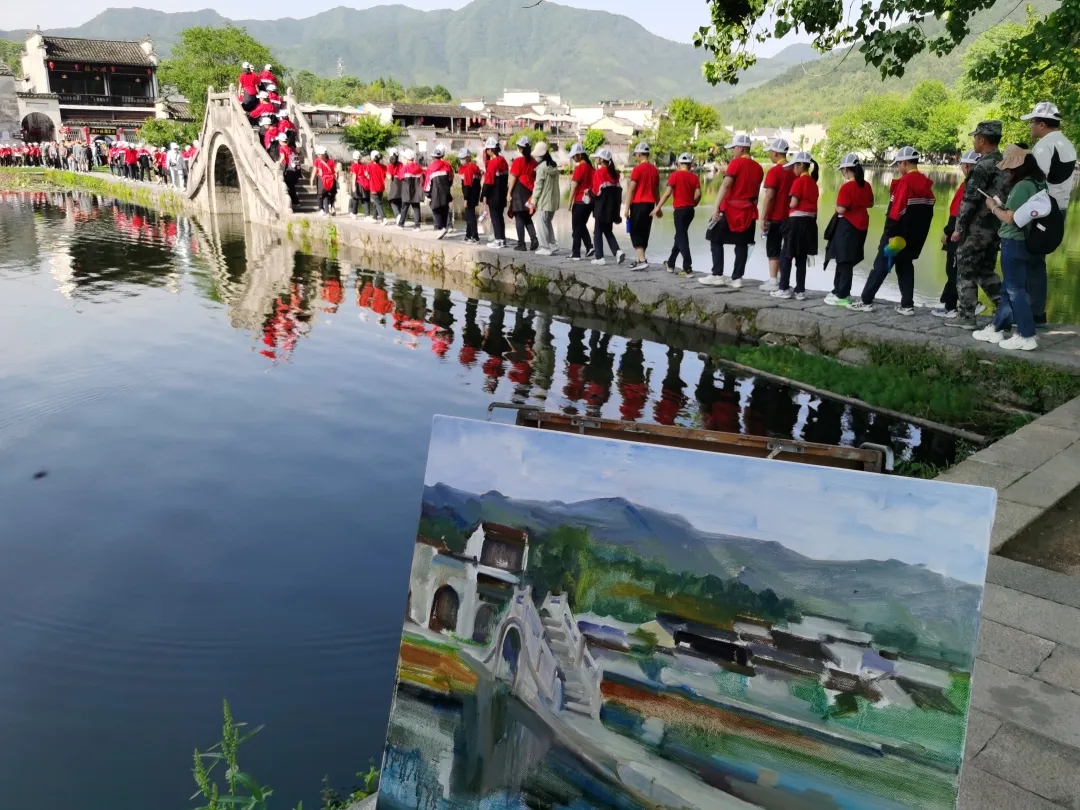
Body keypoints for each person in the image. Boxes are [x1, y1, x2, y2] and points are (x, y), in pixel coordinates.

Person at [974, 145, 1046, 351]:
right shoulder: (1039, 183)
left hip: (1014, 242)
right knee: (1008, 289)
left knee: (1016, 290)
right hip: (1028, 242)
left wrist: (993, 206)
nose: (1006, 171)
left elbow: (1012, 219)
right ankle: (997, 328)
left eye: (1009, 167)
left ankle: (1026, 334)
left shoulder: (1023, 186)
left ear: (1017, 166)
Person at [850, 146, 935, 314]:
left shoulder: (905, 183)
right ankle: (907, 305)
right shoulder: (926, 184)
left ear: (904, 163)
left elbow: (896, 211)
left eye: (898, 164)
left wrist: (890, 233)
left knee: (880, 265)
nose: (898, 167)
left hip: (897, 235)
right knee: (905, 266)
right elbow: (928, 212)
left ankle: (866, 300)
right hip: (915, 236)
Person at [946, 120, 1009, 329]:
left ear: (982, 140)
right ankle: (1007, 310)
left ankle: (966, 317)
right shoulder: (1004, 163)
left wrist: (958, 229)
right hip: (996, 226)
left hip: (976, 228)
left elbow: (970, 200)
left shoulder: (983, 166)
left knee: (965, 271)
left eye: (975, 137)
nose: (974, 141)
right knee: (985, 271)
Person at [1021, 101, 1076, 326]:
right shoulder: (1067, 143)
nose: (1030, 126)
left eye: (1032, 122)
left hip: (1042, 209)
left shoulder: (1044, 146)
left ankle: (1029, 314)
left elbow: (1036, 180)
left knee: (1026, 260)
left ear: (1042, 124)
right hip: (1059, 209)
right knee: (1037, 261)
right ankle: (1037, 312)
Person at [702, 133, 763, 288]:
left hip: (730, 209)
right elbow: (756, 192)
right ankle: (737, 278)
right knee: (741, 244)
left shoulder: (736, 164)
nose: (732, 152)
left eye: (734, 148)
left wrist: (716, 206)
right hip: (748, 210)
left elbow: (726, 184)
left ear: (741, 148)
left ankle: (717, 274)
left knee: (714, 237)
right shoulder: (758, 168)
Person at [932, 150, 980, 318]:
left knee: (954, 271)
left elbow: (958, 212)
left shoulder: (969, 185)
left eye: (963, 165)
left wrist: (948, 231)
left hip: (959, 235)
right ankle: (951, 305)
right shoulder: (979, 185)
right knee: (960, 271)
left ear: (968, 166)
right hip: (971, 234)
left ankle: (958, 306)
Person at [824, 153, 874, 307]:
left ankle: (843, 295)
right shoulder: (866, 185)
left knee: (844, 260)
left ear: (846, 170)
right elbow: (871, 203)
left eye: (842, 170)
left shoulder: (847, 187)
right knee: (846, 260)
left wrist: (837, 207)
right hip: (861, 226)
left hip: (847, 226)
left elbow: (840, 209)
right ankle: (837, 289)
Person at [772, 151, 818, 300]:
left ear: (801, 165)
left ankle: (784, 288)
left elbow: (794, 203)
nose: (793, 169)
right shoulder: (813, 182)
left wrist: (788, 203)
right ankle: (800, 291)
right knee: (801, 258)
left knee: (786, 255)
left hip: (796, 222)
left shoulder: (799, 181)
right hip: (809, 223)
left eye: (795, 166)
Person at [654, 152, 700, 276]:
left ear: (679, 164)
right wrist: (694, 203)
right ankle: (671, 263)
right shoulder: (694, 177)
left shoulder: (674, 176)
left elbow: (667, 193)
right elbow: (698, 194)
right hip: (690, 211)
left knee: (681, 236)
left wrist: (658, 207)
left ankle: (687, 266)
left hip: (679, 211)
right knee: (680, 236)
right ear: (690, 165)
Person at [760, 138, 794, 292]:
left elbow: (769, 196)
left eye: (770, 152)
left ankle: (773, 280)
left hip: (776, 217)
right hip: (792, 218)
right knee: (786, 250)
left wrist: (763, 216)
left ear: (775, 153)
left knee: (773, 248)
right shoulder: (795, 170)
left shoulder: (775, 171)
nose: (769, 155)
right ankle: (783, 279)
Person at [624, 141, 660, 269]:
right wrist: (658, 207)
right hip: (650, 205)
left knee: (636, 231)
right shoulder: (655, 170)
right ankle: (640, 260)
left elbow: (631, 189)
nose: (636, 157)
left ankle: (643, 260)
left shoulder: (637, 169)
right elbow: (656, 190)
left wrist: (626, 208)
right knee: (645, 231)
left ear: (639, 154)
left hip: (638, 204)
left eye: (636, 155)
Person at [589, 147, 625, 266]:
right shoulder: (614, 174)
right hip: (612, 209)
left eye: (597, 158)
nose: (596, 160)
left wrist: (587, 192)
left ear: (601, 159)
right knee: (608, 231)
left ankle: (599, 257)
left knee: (597, 232)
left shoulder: (599, 172)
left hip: (601, 207)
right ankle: (617, 251)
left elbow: (596, 192)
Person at [507, 136, 539, 251]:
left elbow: (513, 178)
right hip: (529, 191)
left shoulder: (518, 161)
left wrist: (509, 193)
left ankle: (521, 244)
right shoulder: (534, 162)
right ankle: (534, 238)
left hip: (519, 191)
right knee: (526, 216)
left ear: (520, 148)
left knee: (519, 217)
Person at [530, 141, 561, 255]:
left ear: (540, 155)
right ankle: (552, 244)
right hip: (553, 201)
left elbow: (538, 187)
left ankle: (544, 247)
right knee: (547, 222)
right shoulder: (553, 166)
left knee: (541, 223)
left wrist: (533, 201)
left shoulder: (541, 168)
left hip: (544, 201)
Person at [567, 142, 594, 260]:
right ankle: (589, 247)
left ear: (579, 155)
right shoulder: (591, 168)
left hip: (579, 201)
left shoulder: (580, 168)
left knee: (576, 227)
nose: (573, 158)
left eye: (574, 156)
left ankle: (576, 253)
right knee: (581, 225)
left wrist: (569, 203)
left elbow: (574, 186)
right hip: (589, 202)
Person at [481, 136, 509, 248]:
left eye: (487, 149)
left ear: (490, 150)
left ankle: (498, 240)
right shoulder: (504, 161)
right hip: (502, 194)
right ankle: (502, 239)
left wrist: (484, 195)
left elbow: (488, 181)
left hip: (494, 195)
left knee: (495, 218)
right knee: (500, 217)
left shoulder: (493, 163)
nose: (486, 152)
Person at [425, 144, 454, 237]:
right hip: (445, 191)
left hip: (435, 192)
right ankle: (445, 226)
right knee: (445, 208)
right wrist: (447, 187)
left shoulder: (430, 168)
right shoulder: (447, 165)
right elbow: (451, 178)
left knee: (435, 209)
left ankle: (441, 227)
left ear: (433, 157)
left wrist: (427, 194)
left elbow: (428, 182)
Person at [458, 148, 482, 243]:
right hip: (475, 194)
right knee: (469, 214)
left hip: (470, 195)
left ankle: (475, 236)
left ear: (468, 157)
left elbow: (467, 184)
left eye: (463, 158)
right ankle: (468, 236)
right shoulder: (474, 167)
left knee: (469, 216)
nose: (461, 160)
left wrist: (466, 199)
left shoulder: (468, 168)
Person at [398, 148, 423, 229]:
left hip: (406, 192)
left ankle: (401, 224)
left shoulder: (404, 168)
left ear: (407, 158)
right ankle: (417, 226)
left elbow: (400, 177)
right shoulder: (418, 167)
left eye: (404, 157)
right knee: (416, 208)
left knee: (404, 208)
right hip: (416, 192)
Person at [311, 146, 337, 215]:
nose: (318, 156)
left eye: (319, 154)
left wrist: (311, 181)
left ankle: (323, 209)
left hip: (322, 181)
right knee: (328, 195)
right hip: (330, 180)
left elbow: (314, 171)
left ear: (323, 154)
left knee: (322, 195)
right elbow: (336, 170)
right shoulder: (330, 161)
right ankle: (329, 208)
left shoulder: (318, 161)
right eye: (318, 154)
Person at [277, 133, 300, 210]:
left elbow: (283, 157)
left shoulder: (282, 148)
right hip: (293, 169)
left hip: (287, 168)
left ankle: (295, 201)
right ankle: (295, 201)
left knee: (289, 186)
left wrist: (277, 164)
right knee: (291, 186)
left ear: (280, 141)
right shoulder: (290, 147)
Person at [384, 148, 403, 226]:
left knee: (392, 201)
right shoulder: (401, 164)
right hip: (401, 183)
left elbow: (388, 177)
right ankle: (401, 218)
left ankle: (398, 215)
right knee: (400, 201)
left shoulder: (389, 165)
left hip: (395, 183)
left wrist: (387, 174)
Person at [366, 150, 386, 221]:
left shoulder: (369, 166)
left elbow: (366, 174)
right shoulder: (383, 166)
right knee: (376, 202)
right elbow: (384, 176)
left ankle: (384, 218)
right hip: (381, 187)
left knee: (378, 203)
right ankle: (374, 217)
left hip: (374, 187)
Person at [348, 150, 366, 218]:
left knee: (355, 198)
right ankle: (366, 214)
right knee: (363, 199)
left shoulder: (353, 166)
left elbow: (354, 176)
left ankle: (354, 213)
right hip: (363, 183)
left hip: (357, 182)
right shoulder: (363, 165)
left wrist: (353, 185)